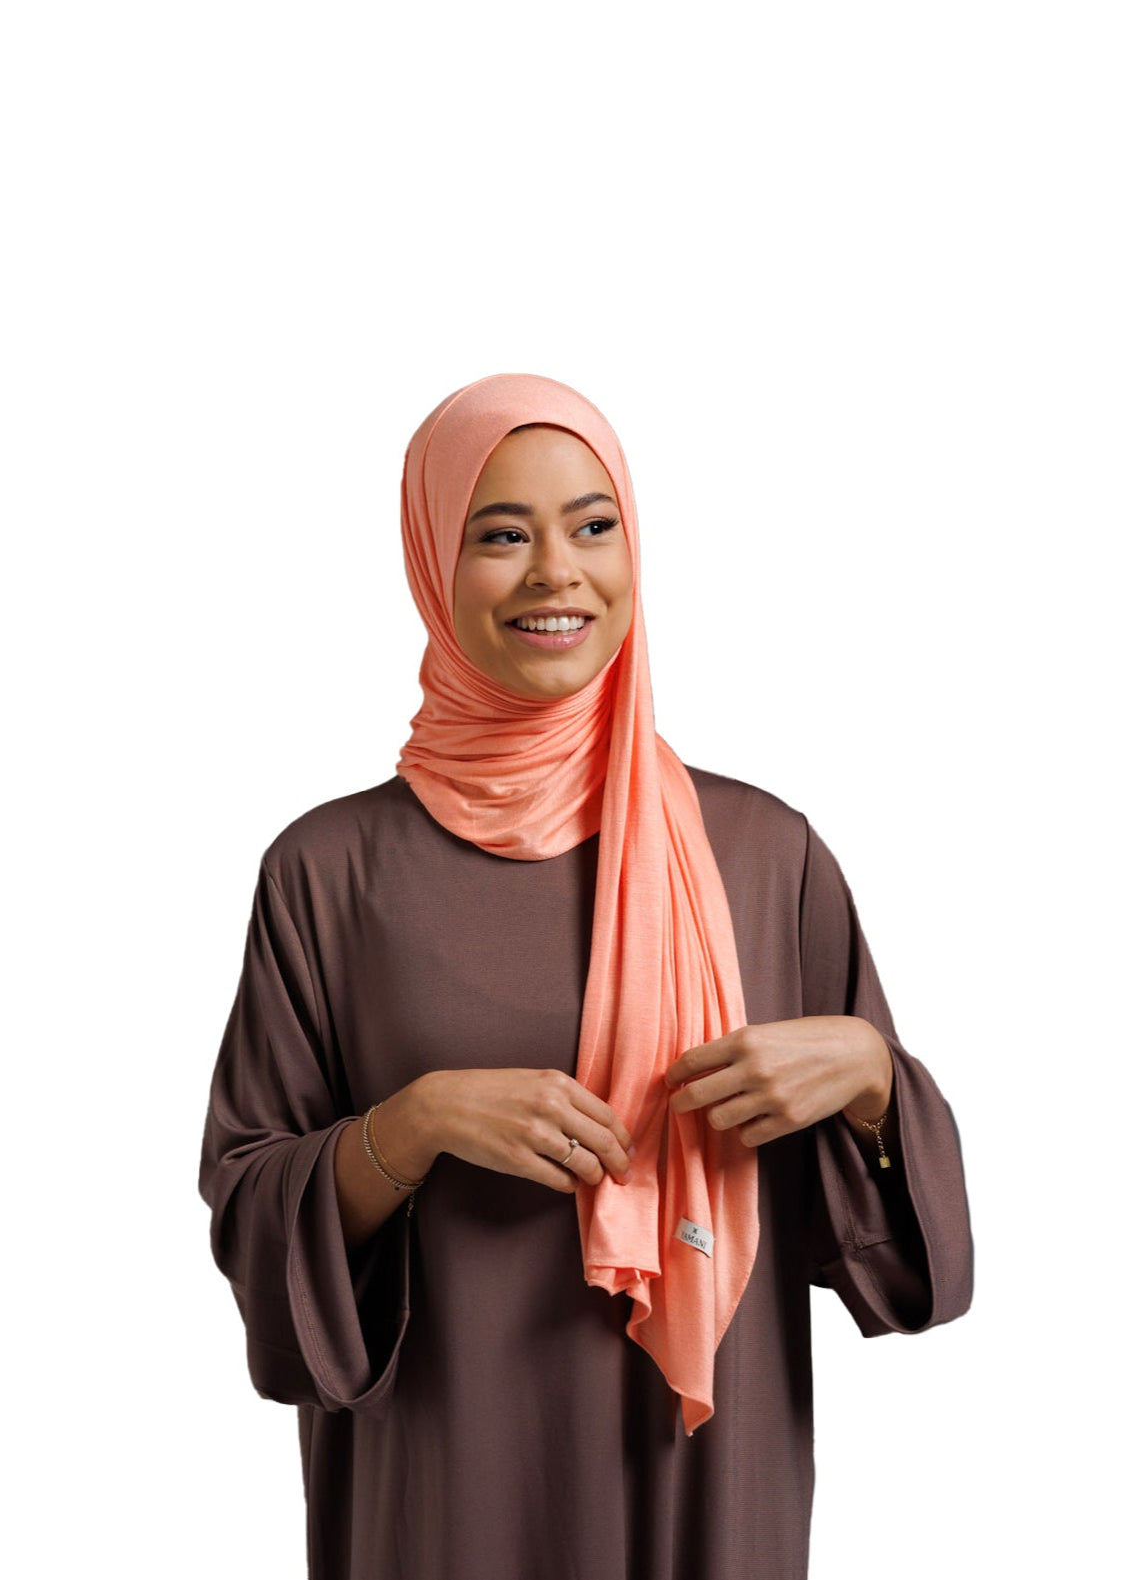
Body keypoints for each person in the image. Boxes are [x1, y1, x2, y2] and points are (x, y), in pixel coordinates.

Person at [199, 372, 973, 1580]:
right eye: (502, 534)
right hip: (448, 1486)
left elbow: (905, 1261)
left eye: (593, 525)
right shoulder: (331, 871)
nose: (557, 572)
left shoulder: (765, 855)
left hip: (704, 1486)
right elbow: (253, 1212)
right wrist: (414, 1124)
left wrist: (876, 1080)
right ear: (431, 561)